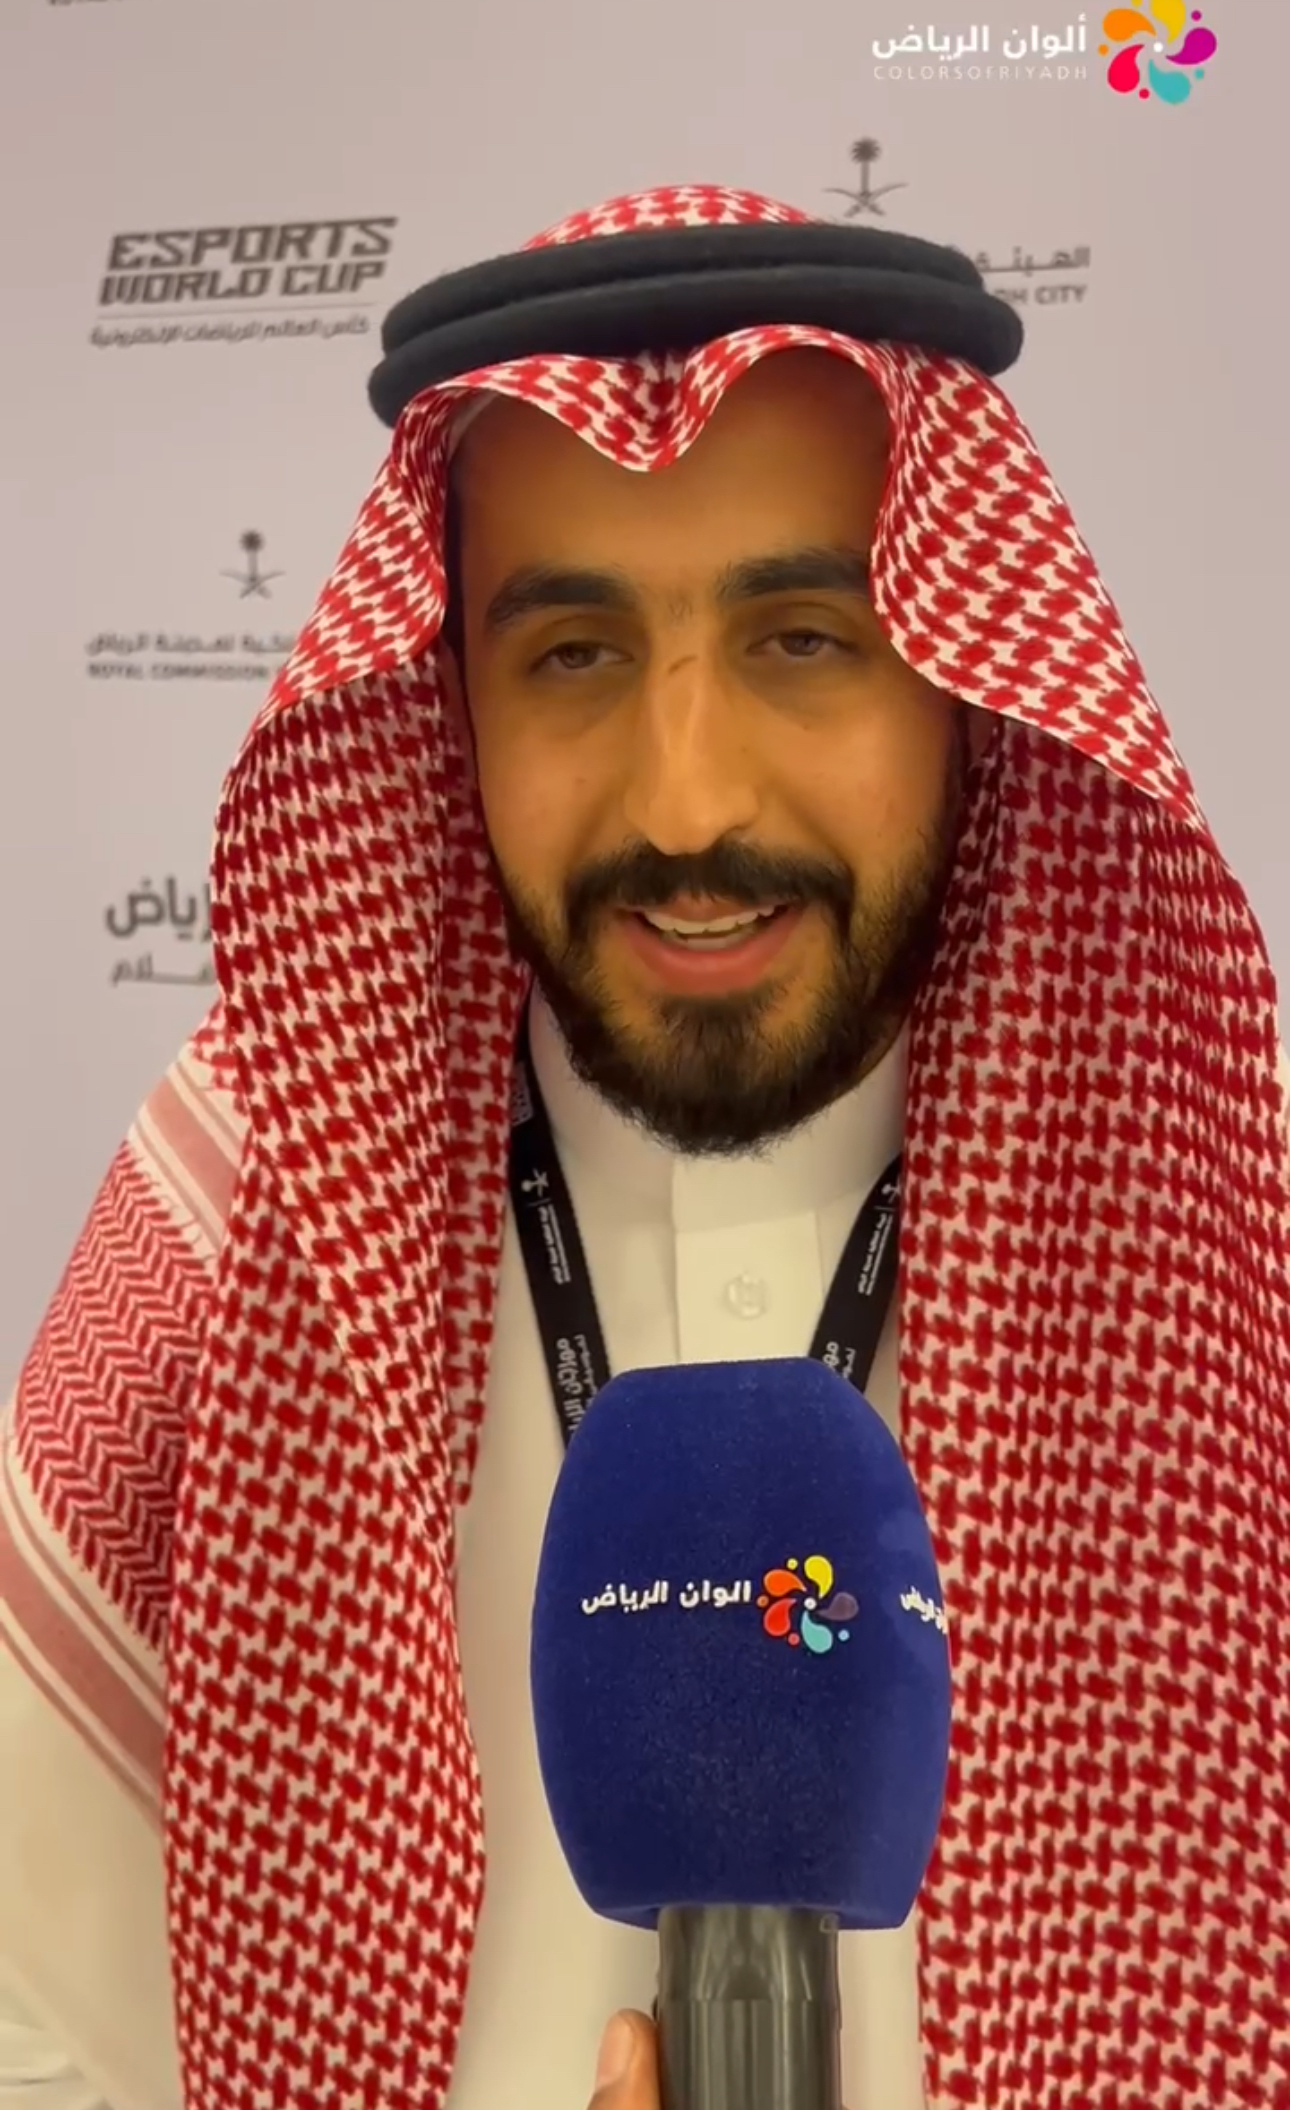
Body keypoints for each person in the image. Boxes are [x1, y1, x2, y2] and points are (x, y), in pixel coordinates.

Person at [1, 184, 1287, 2110]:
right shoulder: (243, 1208)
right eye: (574, 656)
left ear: (964, 686)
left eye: (803, 637)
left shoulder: (1229, 1225)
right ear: (448, 699)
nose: (685, 800)